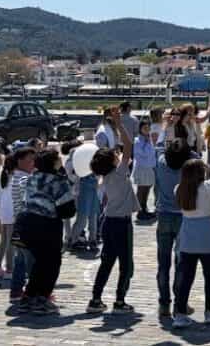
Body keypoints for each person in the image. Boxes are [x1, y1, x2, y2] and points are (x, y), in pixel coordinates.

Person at [87, 112, 139, 314]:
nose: (118, 155)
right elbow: (128, 145)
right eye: (115, 155)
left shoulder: (105, 177)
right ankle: (119, 301)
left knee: (106, 262)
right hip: (121, 224)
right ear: (113, 162)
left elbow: (123, 149)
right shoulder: (119, 173)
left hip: (108, 223)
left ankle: (96, 299)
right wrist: (119, 125)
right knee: (126, 265)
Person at [173, 159, 210, 329]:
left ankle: (180, 314)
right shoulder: (207, 187)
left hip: (187, 237)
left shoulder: (179, 189)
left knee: (186, 278)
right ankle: (209, 312)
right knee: (209, 277)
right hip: (206, 235)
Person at [16, 148, 75, 315]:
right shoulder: (58, 181)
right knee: (51, 263)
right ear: (53, 162)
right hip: (47, 224)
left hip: (27, 222)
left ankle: (28, 297)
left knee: (39, 262)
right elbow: (67, 210)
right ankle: (42, 298)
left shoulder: (33, 177)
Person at [153, 138, 194, 318]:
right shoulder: (189, 168)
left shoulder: (162, 163)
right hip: (183, 216)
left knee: (163, 264)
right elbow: (196, 156)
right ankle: (180, 303)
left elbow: (159, 148)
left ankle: (164, 304)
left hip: (163, 215)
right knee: (181, 263)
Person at [7, 147, 35, 302]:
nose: (33, 163)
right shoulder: (23, 178)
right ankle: (35, 291)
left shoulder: (19, 176)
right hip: (25, 224)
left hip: (19, 223)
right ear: (20, 161)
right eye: (30, 160)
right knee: (30, 260)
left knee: (20, 260)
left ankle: (16, 291)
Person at [0, 154, 17, 281]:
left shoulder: (5, 175)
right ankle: (10, 269)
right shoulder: (15, 177)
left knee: (4, 242)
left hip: (4, 213)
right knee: (11, 243)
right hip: (11, 214)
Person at [133, 119, 157, 219]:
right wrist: (148, 142)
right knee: (141, 190)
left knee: (147, 189)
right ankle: (140, 211)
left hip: (149, 168)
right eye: (145, 128)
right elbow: (143, 154)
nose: (147, 130)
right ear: (140, 129)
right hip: (142, 168)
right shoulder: (138, 141)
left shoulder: (149, 139)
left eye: (148, 128)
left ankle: (144, 208)